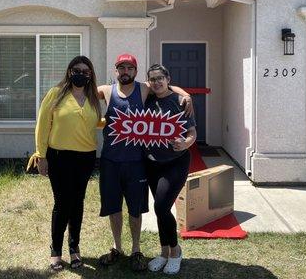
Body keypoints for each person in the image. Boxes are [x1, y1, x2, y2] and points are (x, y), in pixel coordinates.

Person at [97, 54, 193, 272]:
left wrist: (187, 95)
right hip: (112, 161)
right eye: (121, 67)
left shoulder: (144, 89)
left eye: (129, 68)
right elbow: (79, 93)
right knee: (114, 207)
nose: (125, 71)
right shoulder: (106, 90)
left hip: (137, 162)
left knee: (136, 209)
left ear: (135, 71)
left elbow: (166, 87)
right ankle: (117, 247)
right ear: (116, 71)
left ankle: (137, 250)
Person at [28, 56, 102, 272]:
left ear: (90, 75)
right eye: (76, 70)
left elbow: (95, 122)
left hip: (86, 157)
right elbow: (42, 126)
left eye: (86, 71)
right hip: (59, 157)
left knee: (77, 203)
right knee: (62, 204)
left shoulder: (93, 98)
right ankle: (55, 251)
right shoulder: (56, 94)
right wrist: (41, 155)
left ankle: (74, 248)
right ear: (69, 72)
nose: (81, 73)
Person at [144, 64, 197, 275]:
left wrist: (186, 143)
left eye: (160, 78)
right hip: (151, 163)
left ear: (168, 79)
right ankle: (163, 252)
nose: (156, 82)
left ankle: (175, 252)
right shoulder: (146, 100)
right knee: (160, 209)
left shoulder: (180, 101)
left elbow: (192, 131)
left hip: (176, 162)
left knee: (161, 206)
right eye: (152, 79)